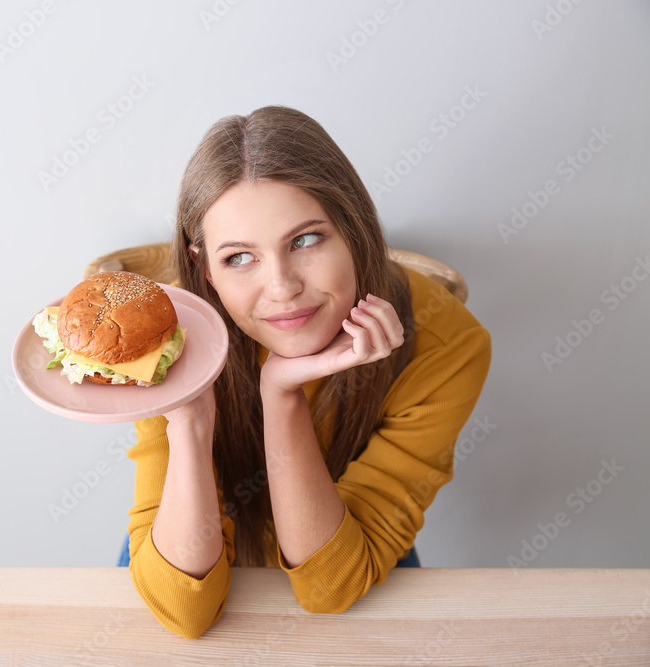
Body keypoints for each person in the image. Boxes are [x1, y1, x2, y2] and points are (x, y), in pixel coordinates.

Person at [120, 105, 491, 640]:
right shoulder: (171, 337)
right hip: (184, 535)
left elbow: (329, 588)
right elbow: (185, 610)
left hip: (348, 546)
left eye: (307, 240)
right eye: (239, 258)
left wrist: (281, 394)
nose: (282, 287)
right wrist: (188, 421)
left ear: (355, 229)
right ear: (204, 268)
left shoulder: (446, 344)